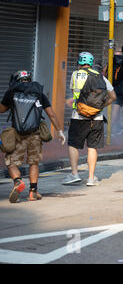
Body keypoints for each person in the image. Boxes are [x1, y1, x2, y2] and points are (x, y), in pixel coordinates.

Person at [0, 70, 65, 203]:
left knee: (11, 161)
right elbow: (51, 114)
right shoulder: (38, 92)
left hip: (16, 134)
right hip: (35, 134)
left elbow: (1, 109)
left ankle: (18, 182)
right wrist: (59, 131)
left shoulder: (12, 91)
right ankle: (33, 193)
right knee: (33, 162)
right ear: (29, 79)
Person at [62, 52, 117, 186]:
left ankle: (74, 174)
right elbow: (113, 97)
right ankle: (91, 178)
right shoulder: (101, 77)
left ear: (79, 62)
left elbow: (74, 94)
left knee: (73, 144)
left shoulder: (75, 75)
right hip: (97, 117)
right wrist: (101, 106)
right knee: (92, 147)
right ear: (91, 63)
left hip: (78, 116)